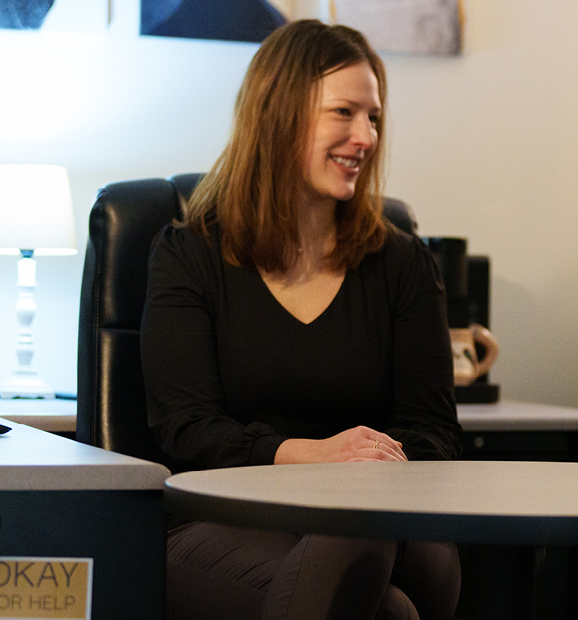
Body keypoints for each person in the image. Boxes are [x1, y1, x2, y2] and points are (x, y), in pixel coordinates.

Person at [141, 21, 463, 620]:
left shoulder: (404, 264)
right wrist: (315, 457)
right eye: (344, 112)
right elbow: (187, 430)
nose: (364, 136)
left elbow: (434, 435)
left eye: (374, 118)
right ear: (280, 113)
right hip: (224, 519)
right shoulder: (188, 255)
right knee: (383, 594)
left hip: (376, 520)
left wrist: (364, 468)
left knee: (397, 544)